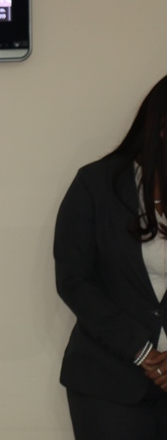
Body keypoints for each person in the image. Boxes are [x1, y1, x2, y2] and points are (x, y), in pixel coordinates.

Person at [55, 74, 167, 439]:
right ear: (161, 128)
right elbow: (74, 280)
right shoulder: (96, 185)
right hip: (108, 381)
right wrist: (142, 351)